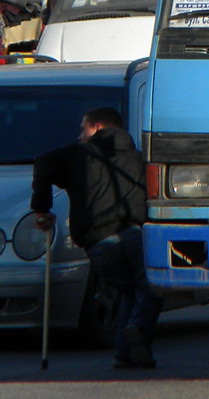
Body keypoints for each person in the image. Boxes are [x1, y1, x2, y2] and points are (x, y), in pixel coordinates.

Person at [30, 106, 161, 369]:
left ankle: (127, 353)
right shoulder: (138, 158)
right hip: (134, 231)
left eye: (83, 128)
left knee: (127, 290)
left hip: (98, 239)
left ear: (98, 127)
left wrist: (42, 210)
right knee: (149, 287)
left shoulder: (78, 155)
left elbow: (43, 163)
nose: (80, 135)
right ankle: (137, 330)